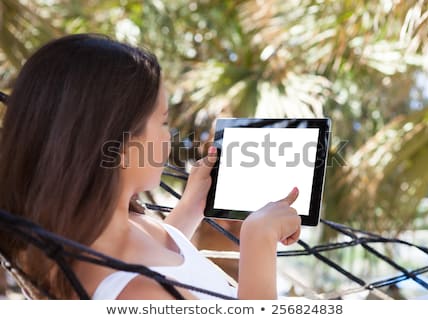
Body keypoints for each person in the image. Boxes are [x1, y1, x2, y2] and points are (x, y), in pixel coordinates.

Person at [0, 33, 301, 300]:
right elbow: (147, 281)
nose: (168, 135)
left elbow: (160, 262)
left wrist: (190, 208)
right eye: (163, 121)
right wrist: (258, 240)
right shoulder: (137, 294)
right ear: (121, 140)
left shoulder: (103, 228)